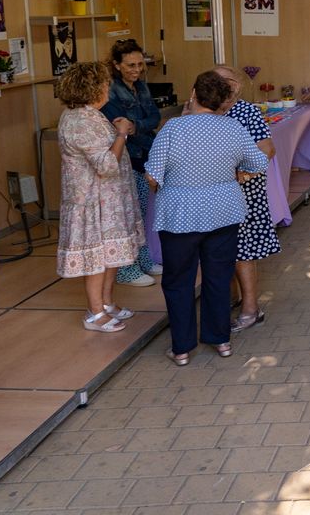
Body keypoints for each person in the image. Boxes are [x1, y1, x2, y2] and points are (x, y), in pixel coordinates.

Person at [145, 71, 268, 366]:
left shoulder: (174, 129)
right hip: (225, 211)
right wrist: (240, 174)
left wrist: (170, 185)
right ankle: (221, 339)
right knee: (218, 276)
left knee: (179, 280)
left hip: (180, 214)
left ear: (193, 93)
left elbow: (152, 177)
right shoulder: (234, 128)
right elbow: (259, 161)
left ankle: (182, 348)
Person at [55, 61, 143, 333]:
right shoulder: (80, 120)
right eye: (105, 84)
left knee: (109, 254)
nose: (108, 88)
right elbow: (105, 165)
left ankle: (106, 303)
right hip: (92, 202)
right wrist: (121, 133)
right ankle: (95, 312)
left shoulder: (90, 114)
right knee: (96, 258)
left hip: (107, 200)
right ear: (92, 88)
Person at [214, 66, 280, 333]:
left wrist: (243, 174)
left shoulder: (246, 111)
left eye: (227, 81)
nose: (222, 85)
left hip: (243, 193)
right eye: (216, 81)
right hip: (217, 194)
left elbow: (267, 150)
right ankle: (232, 299)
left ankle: (251, 309)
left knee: (243, 252)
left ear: (237, 85)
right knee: (222, 250)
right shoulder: (205, 111)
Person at [100, 38, 162, 287]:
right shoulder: (110, 91)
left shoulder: (142, 87)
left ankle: (143, 259)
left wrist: (138, 127)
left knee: (143, 212)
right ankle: (127, 267)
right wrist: (136, 127)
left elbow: (154, 117)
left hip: (145, 153)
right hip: (127, 157)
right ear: (116, 65)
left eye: (139, 65)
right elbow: (122, 124)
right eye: (130, 66)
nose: (136, 70)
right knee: (129, 214)